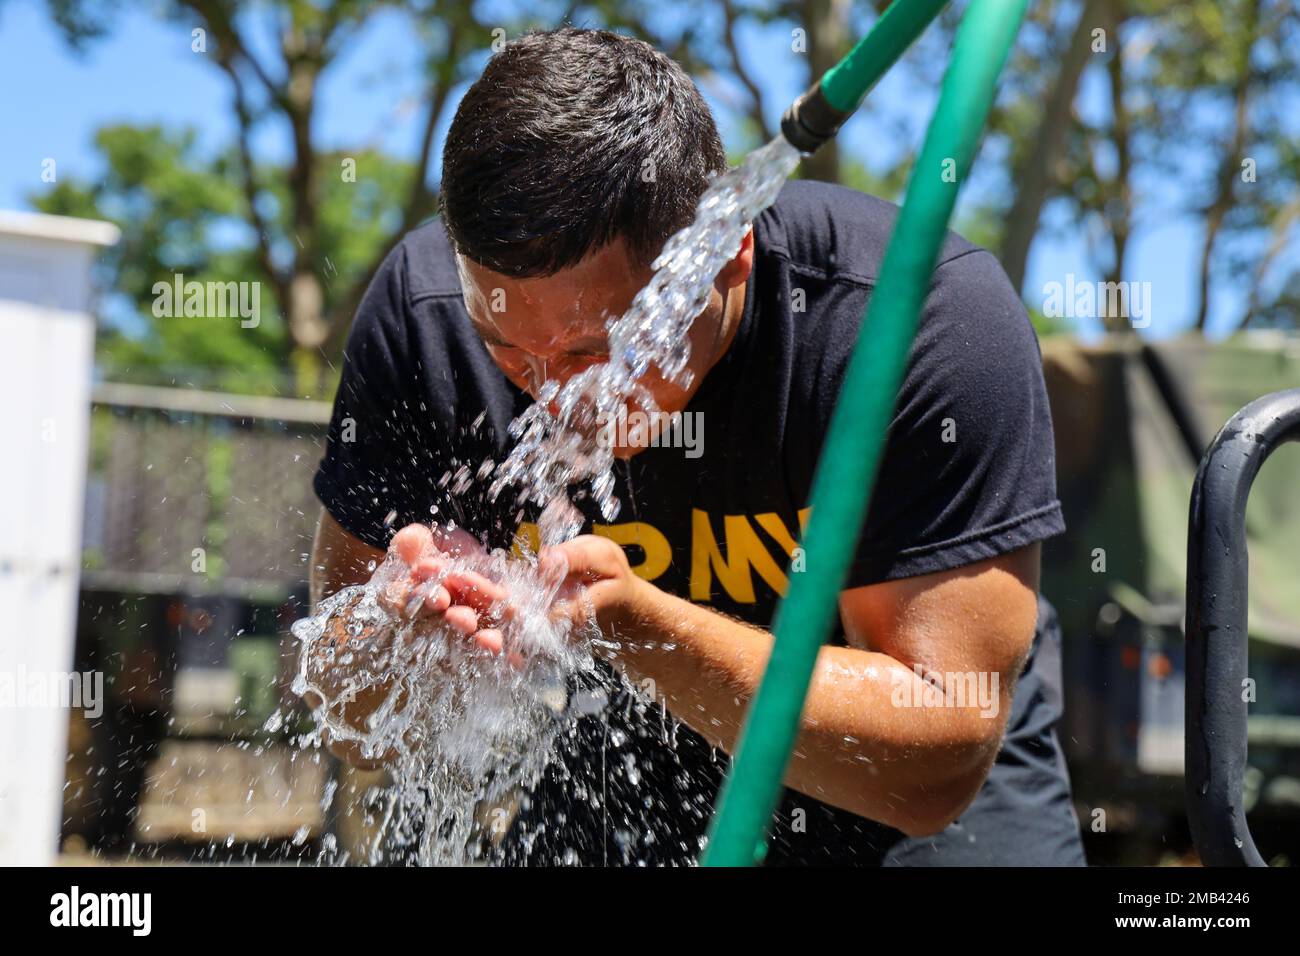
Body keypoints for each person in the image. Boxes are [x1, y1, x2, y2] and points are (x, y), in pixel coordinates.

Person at [307, 26, 1085, 866]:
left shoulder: (915, 318)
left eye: (593, 354)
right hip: (625, 749)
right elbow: (348, 719)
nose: (550, 396)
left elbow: (934, 761)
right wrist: (403, 648)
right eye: (503, 349)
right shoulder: (423, 321)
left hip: (909, 808)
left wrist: (638, 629)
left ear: (727, 255)